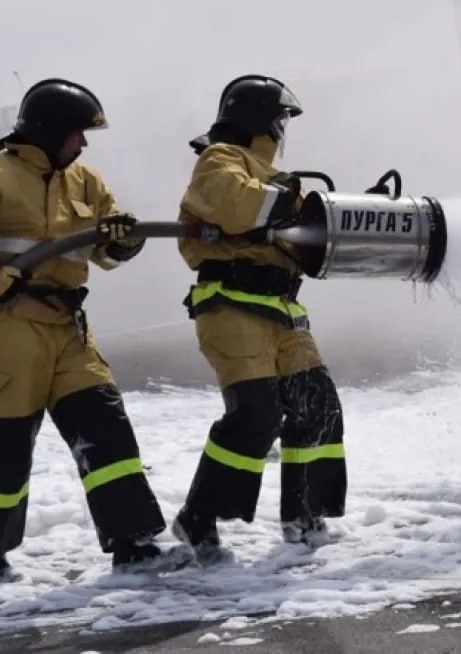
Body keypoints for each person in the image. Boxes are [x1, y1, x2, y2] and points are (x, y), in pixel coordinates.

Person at [0, 78, 174, 581]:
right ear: (51, 130)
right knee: (6, 454)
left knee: (106, 433)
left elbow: (105, 248)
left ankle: (134, 545)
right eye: (78, 133)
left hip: (69, 333)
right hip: (9, 332)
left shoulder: (85, 181)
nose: (84, 144)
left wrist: (124, 240)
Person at [171, 74, 347, 562]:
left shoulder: (273, 176)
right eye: (279, 120)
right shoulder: (220, 159)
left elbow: (298, 235)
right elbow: (238, 205)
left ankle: (305, 515)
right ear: (258, 120)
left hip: (283, 310)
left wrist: (340, 217)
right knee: (256, 415)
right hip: (232, 304)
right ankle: (198, 517)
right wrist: (294, 200)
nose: (283, 130)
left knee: (318, 406)